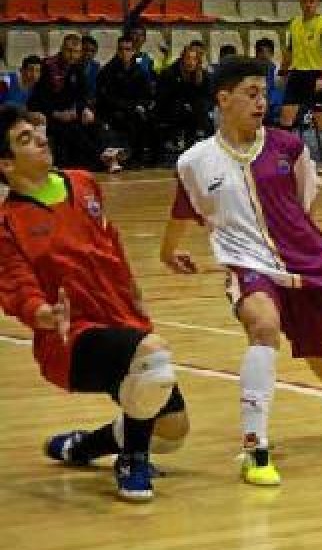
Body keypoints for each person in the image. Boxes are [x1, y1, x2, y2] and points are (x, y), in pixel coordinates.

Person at [160, 56, 322, 487]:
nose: (262, 102)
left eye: (264, 94)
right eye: (251, 94)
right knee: (263, 327)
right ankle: (255, 448)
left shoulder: (289, 148)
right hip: (246, 264)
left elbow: (301, 205)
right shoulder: (194, 162)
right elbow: (183, 212)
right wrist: (168, 252)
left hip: (304, 264)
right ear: (224, 99)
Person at [0, 106, 190, 501]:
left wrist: (133, 291)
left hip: (121, 318)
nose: (39, 141)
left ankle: (83, 447)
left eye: (36, 133)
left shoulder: (84, 183)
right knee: (152, 359)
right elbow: (16, 286)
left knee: (172, 430)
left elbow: (109, 243)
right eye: (24, 140)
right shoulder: (8, 223)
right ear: (5, 164)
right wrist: (44, 314)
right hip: (71, 338)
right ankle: (131, 461)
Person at [28, 35, 118, 172]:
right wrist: (56, 113)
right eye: (69, 50)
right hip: (47, 114)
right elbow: (38, 97)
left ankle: (109, 153)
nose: (72, 55)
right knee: (73, 130)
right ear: (62, 49)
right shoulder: (46, 66)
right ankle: (102, 158)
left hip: (70, 114)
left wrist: (83, 110)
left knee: (95, 123)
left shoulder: (77, 68)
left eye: (76, 52)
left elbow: (82, 95)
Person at [280, 0, 322, 175]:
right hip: (297, 74)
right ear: (300, 3)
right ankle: (285, 160)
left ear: (317, 3)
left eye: (312, 1)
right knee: (286, 117)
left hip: (316, 75)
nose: (308, 5)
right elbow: (289, 50)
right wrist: (283, 70)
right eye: (305, 1)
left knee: (321, 118)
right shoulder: (294, 24)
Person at [96, 36, 158, 168]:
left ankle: (151, 158)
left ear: (133, 51)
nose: (125, 53)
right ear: (117, 51)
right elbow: (107, 98)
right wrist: (131, 107)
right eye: (121, 49)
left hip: (135, 108)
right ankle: (128, 157)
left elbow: (146, 94)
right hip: (114, 110)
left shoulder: (140, 71)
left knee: (151, 118)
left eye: (128, 49)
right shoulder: (107, 71)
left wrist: (142, 105)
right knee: (130, 120)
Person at [157, 46, 212, 151]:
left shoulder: (202, 75)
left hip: (194, 109)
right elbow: (164, 98)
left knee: (202, 108)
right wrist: (185, 104)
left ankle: (202, 139)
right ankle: (177, 139)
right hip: (170, 108)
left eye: (194, 59)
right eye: (188, 58)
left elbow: (207, 96)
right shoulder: (170, 73)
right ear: (182, 59)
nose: (190, 62)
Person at [254, 38, 285, 127]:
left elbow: (280, 92)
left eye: (265, 53)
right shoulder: (251, 70)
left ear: (272, 54)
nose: (262, 56)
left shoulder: (279, 71)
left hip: (274, 109)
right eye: (259, 53)